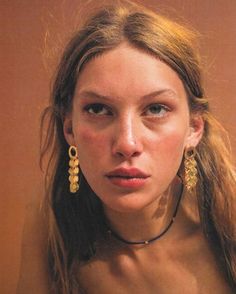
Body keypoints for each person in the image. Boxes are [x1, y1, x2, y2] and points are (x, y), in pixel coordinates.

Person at [17, 1, 236, 293]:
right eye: (98, 109)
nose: (127, 143)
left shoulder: (228, 227)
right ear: (69, 128)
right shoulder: (53, 221)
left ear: (194, 129)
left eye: (156, 109)